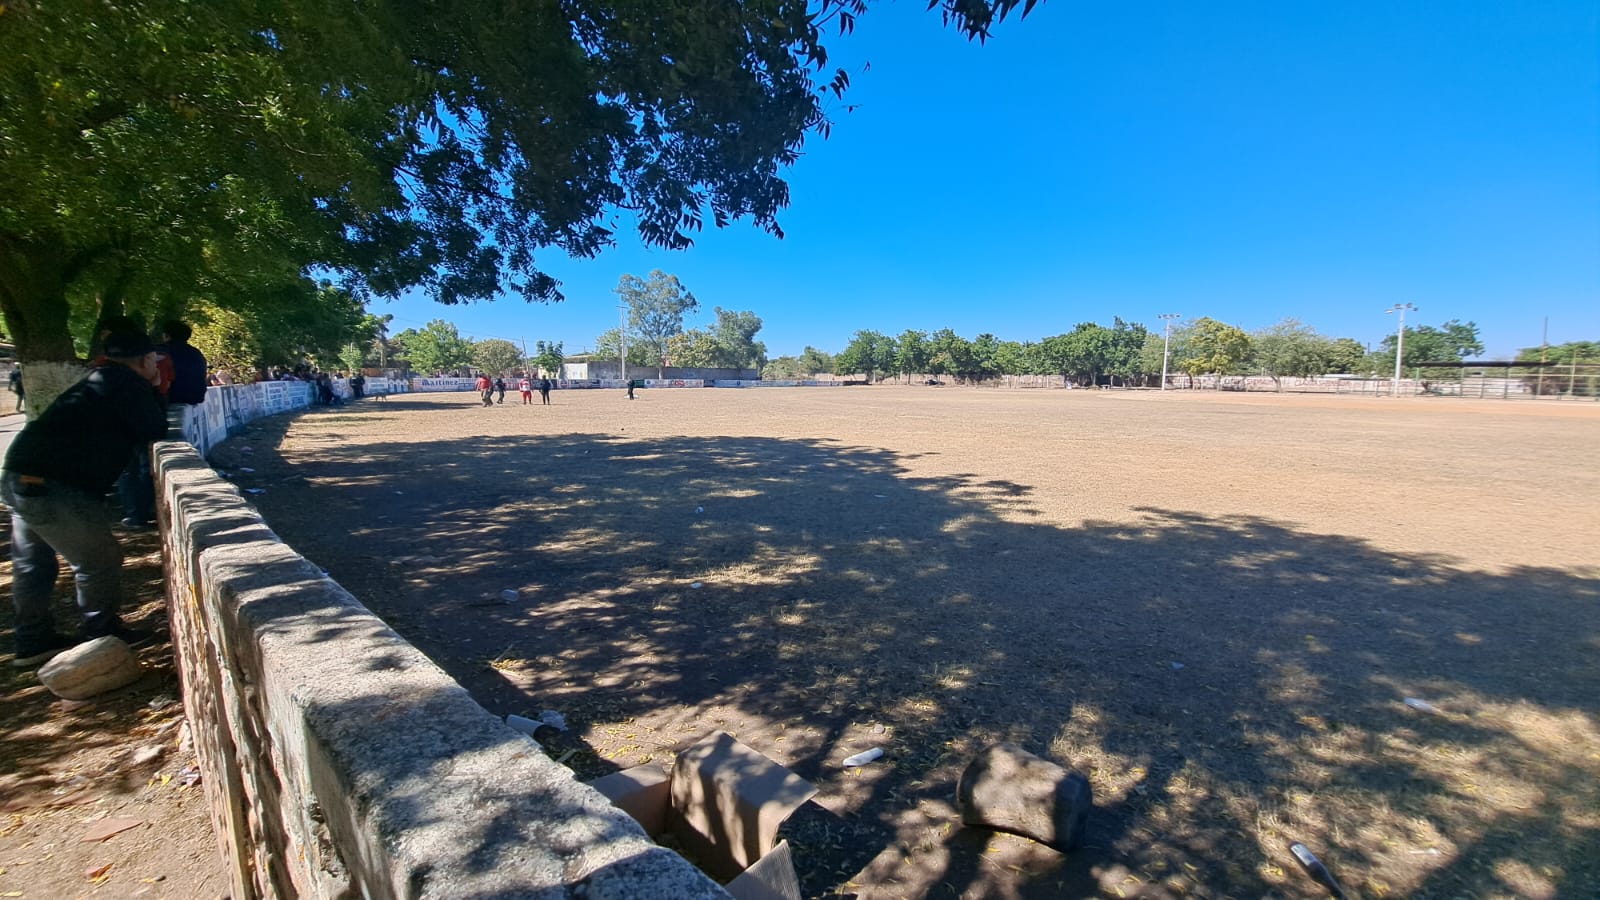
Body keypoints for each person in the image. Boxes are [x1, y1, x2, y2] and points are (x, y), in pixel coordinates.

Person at [4, 331, 169, 667]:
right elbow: (154, 428)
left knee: (32, 564)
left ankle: (32, 641)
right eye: (155, 361)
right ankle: (101, 635)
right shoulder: (126, 383)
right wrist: (154, 387)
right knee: (99, 560)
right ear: (147, 360)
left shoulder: (100, 378)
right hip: (57, 486)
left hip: (20, 473)